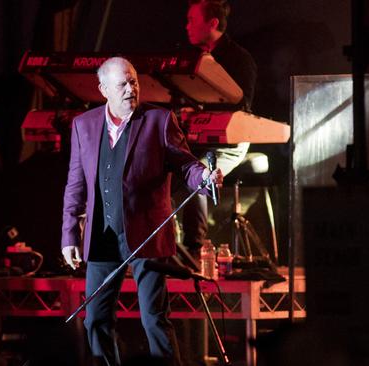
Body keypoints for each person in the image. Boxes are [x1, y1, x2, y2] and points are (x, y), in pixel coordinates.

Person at [60, 57, 223, 366]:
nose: (130, 89)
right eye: (122, 84)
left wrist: (203, 177)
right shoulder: (84, 125)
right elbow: (75, 183)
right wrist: (69, 234)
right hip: (104, 234)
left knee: (154, 319)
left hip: (147, 231)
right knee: (95, 319)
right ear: (103, 89)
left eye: (133, 81)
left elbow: (185, 164)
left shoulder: (159, 120)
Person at [180, 0, 258, 256]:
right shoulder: (191, 57)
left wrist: (201, 112)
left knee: (199, 174)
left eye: (192, 19)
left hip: (230, 142)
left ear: (212, 23)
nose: (187, 25)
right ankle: (163, 249)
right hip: (197, 139)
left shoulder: (239, 59)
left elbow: (241, 108)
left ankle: (194, 251)